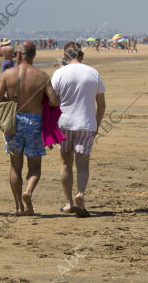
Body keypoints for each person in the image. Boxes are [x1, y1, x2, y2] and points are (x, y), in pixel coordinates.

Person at [0, 41, 59, 216]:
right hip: (35, 122)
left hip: (13, 122)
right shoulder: (42, 76)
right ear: (33, 55)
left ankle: (18, 208)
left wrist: (10, 95)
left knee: (15, 166)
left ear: (19, 55)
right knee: (35, 167)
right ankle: (28, 192)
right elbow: (53, 101)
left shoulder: (8, 74)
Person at [52, 43, 106, 218]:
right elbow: (102, 104)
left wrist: (50, 127)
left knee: (66, 163)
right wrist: (96, 124)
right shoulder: (93, 73)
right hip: (86, 123)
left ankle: (68, 203)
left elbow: (52, 102)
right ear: (81, 56)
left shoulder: (59, 73)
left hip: (64, 123)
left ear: (65, 57)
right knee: (83, 164)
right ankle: (80, 193)